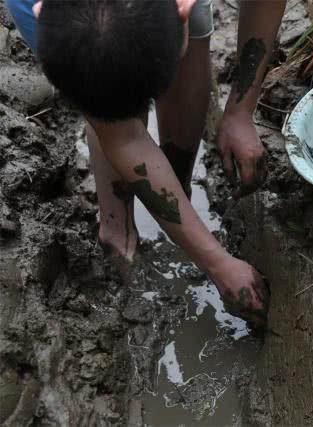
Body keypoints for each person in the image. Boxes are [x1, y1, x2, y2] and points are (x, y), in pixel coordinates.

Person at [5, 0, 287, 329]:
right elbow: (122, 137)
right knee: (104, 97)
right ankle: (117, 231)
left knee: (187, 46)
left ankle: (175, 187)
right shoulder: (31, 10)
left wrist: (240, 111)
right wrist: (216, 262)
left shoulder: (184, 13)